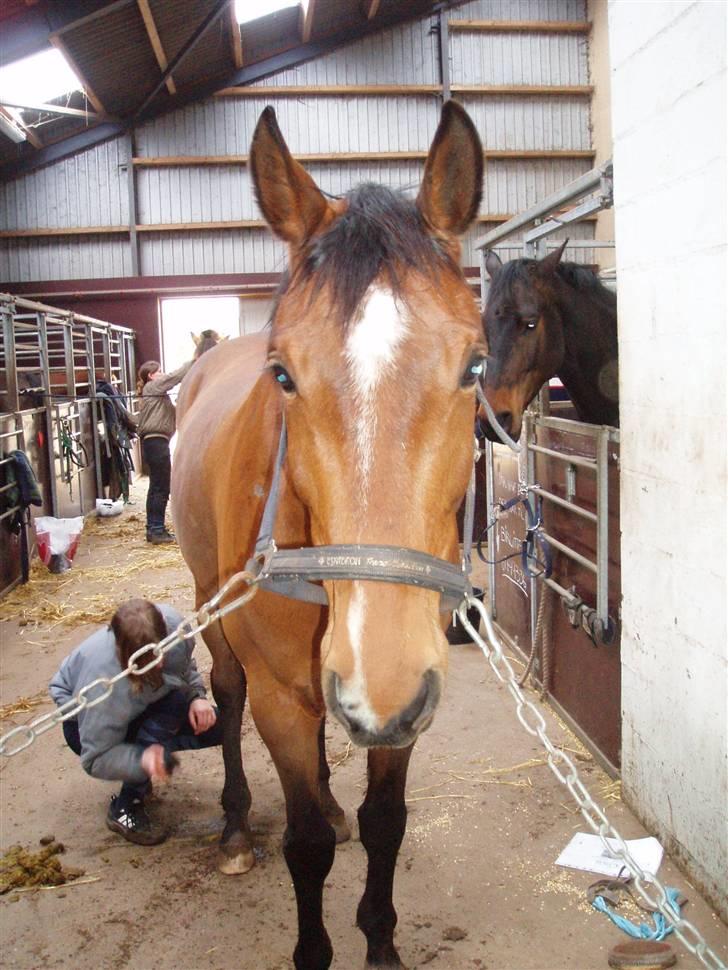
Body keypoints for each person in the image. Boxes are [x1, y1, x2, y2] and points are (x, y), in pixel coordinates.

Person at [48, 598, 221, 845]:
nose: (160, 663)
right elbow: (95, 758)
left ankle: (143, 762)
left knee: (217, 727)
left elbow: (182, 666)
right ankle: (125, 810)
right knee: (148, 750)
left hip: (145, 700)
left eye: (159, 652)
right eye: (148, 659)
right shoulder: (103, 686)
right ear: (124, 652)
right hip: (88, 730)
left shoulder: (172, 627)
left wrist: (197, 697)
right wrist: (142, 760)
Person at [136, 357, 195, 543]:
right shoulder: (152, 388)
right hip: (156, 442)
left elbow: (175, 412)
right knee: (161, 486)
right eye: (159, 371)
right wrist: (195, 360)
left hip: (155, 443)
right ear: (151, 376)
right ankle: (156, 529)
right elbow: (175, 376)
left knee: (156, 486)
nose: (162, 374)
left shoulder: (156, 396)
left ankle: (153, 528)